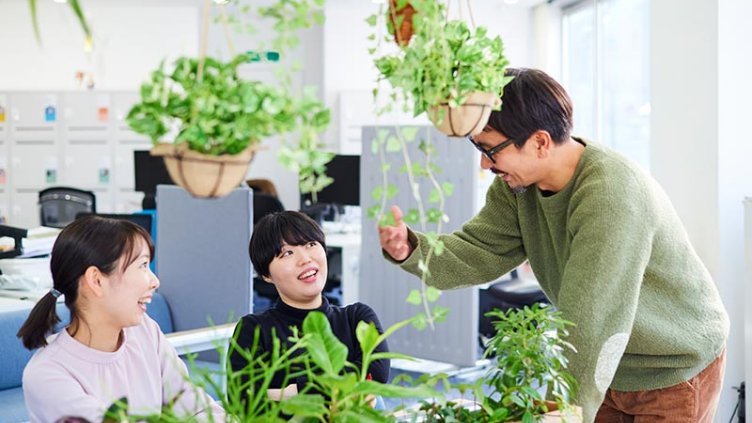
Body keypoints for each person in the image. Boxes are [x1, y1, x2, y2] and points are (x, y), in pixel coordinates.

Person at [378, 68, 729, 423]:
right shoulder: (517, 187)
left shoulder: (610, 196)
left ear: (540, 142)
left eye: (490, 150)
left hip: (672, 365)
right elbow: (479, 249)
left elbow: (591, 320)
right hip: (608, 367)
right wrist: (411, 249)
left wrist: (561, 411)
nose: (484, 163)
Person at [17, 216, 224, 422]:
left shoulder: (145, 331)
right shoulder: (48, 374)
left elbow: (192, 406)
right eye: (142, 265)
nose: (154, 281)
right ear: (96, 280)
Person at [230, 210, 389, 402]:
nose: (305, 259)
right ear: (266, 275)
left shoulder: (356, 318)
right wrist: (339, 385)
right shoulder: (254, 330)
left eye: (311, 244)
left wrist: (291, 392)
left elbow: (376, 374)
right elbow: (242, 400)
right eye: (287, 253)